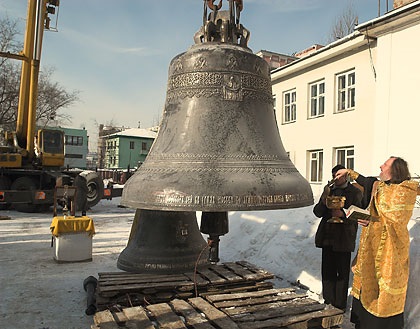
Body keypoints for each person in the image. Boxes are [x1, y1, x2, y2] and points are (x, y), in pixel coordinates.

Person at [335, 157, 418, 329]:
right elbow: (368, 181)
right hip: (371, 247)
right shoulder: (381, 186)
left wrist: (370, 220)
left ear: (395, 171)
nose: (380, 166)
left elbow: (393, 221)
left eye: (385, 165)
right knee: (366, 284)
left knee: (382, 293)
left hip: (390, 251)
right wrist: (348, 172)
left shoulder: (405, 190)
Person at [313, 164, 363, 310]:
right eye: (334, 175)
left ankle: (340, 304)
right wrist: (324, 199)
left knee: (342, 273)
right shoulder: (329, 191)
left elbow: (358, 213)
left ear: (346, 175)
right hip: (328, 236)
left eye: (339, 175)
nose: (336, 178)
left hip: (344, 237)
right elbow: (317, 212)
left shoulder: (354, 192)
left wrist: (343, 214)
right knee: (327, 270)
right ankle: (328, 300)